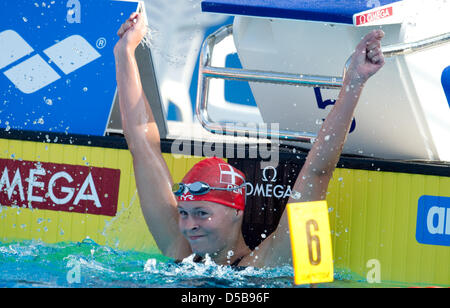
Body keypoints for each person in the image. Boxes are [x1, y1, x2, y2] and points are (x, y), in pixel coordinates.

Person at [114, 12, 385, 268]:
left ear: (236, 211)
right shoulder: (181, 249)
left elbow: (317, 172)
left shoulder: (273, 261)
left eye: (201, 212)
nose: (188, 225)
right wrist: (125, 52)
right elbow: (141, 144)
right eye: (183, 213)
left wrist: (355, 81)